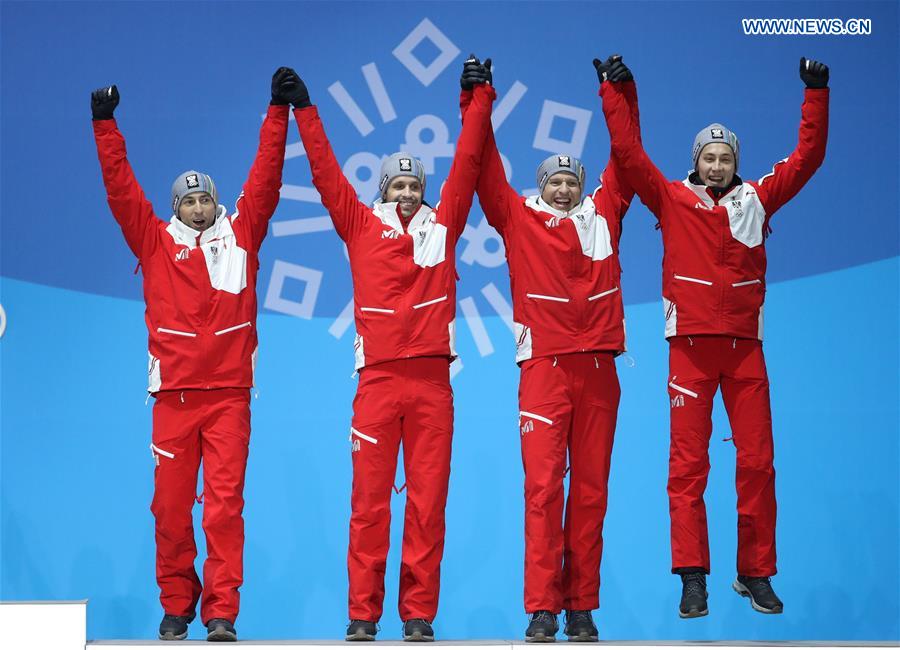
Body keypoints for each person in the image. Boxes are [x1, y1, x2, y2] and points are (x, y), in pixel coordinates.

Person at [599, 56, 829, 618]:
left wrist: (815, 93)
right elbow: (628, 156)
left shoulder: (756, 199)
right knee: (688, 465)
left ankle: (754, 573)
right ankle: (692, 576)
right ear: (696, 161)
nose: (719, 165)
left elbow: (807, 159)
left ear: (736, 164)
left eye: (727, 158)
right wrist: (615, 89)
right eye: (710, 157)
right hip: (691, 351)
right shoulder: (672, 199)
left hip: (745, 350)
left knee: (758, 463)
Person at [91, 67, 301, 641]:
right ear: (176, 207)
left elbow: (265, 178)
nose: (200, 205)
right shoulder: (154, 242)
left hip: (229, 398)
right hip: (174, 400)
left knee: (224, 509)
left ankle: (222, 612)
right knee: (170, 510)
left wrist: (277, 113)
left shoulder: (242, 235)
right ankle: (177, 603)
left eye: (207, 197)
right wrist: (104, 124)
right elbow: (121, 189)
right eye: (190, 199)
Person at [290, 57, 495, 642]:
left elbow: (469, 162)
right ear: (383, 191)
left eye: (414, 186)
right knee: (369, 507)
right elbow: (327, 173)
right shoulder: (358, 224)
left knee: (427, 507)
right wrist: (305, 110)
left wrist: (477, 98)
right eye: (398, 185)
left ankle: (419, 616)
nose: (407, 193)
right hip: (377, 383)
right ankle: (362, 615)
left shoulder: (444, 223)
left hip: (432, 385)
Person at [461, 56, 638, 642]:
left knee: (590, 493)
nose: (564, 187)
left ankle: (581, 605)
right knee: (543, 491)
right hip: (544, 370)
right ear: (541, 186)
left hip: (599, 372)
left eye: (573, 180)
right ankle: (542, 607)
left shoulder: (605, 213)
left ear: (584, 187)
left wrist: (617, 91)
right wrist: (477, 97)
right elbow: (481, 166)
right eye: (555, 180)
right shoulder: (516, 216)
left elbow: (629, 157)